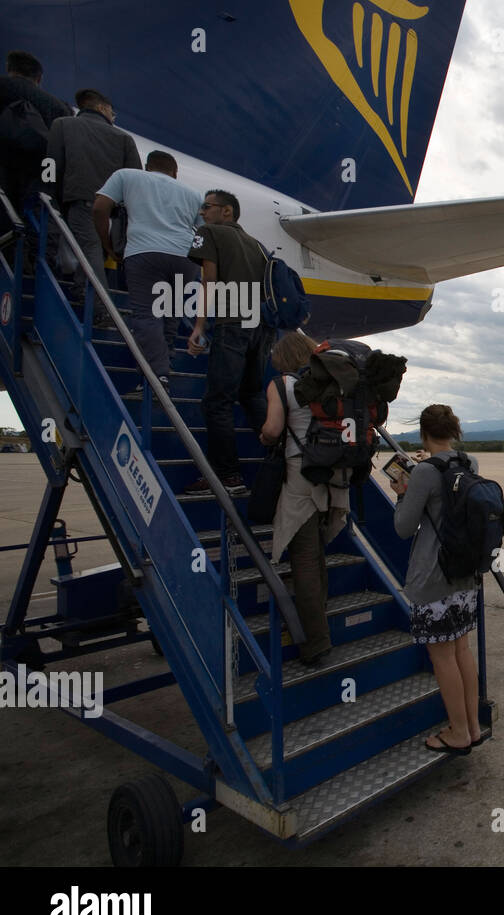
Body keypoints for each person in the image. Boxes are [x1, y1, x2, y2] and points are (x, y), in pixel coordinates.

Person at [391, 405, 484, 756]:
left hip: (433, 575)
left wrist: (403, 490)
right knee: (461, 650)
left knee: (442, 657)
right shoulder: (470, 463)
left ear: (424, 434)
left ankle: (458, 732)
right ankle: (472, 726)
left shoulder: (425, 473)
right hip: (464, 573)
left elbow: (403, 528)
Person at [258, 331, 347, 666]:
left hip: (301, 477)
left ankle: (316, 644)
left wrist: (264, 437)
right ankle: (319, 621)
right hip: (332, 477)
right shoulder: (327, 382)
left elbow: (273, 430)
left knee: (305, 560)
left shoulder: (282, 385)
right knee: (317, 553)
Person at [184, 189, 273, 493]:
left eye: (207, 206)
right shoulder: (257, 244)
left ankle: (228, 476)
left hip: (233, 322)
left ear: (227, 212)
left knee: (217, 402)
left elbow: (207, 280)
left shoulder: (210, 232)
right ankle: (282, 461)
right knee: (251, 394)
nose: (202, 213)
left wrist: (199, 326)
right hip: (260, 327)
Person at [93, 150, 202, 390]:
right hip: (184, 258)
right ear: (175, 172)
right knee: (171, 311)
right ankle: (167, 359)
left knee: (147, 315)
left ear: (147, 166)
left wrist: (107, 245)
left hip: (144, 252)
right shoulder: (194, 194)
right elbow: (205, 233)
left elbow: (100, 207)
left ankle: (158, 373)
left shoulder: (127, 176)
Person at [45, 88, 140, 310]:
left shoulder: (62, 125)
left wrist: (50, 196)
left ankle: (98, 306)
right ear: (102, 108)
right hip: (114, 212)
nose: (113, 118)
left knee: (89, 249)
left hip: (80, 201)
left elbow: (50, 165)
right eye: (113, 113)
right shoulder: (124, 138)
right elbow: (136, 178)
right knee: (93, 249)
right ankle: (94, 300)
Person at [0, 51, 72, 217]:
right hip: (43, 175)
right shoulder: (60, 107)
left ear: (10, 69)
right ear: (39, 78)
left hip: (5, 169)